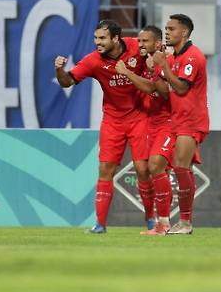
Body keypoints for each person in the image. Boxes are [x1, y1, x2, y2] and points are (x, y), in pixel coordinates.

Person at [54, 20, 151, 234]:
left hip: (140, 117)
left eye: (102, 38)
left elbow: (155, 48)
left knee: (143, 169)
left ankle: (151, 219)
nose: (97, 42)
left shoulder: (136, 46)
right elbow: (67, 82)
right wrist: (60, 70)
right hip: (113, 120)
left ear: (115, 39)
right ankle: (100, 224)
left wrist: (154, 61)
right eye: (96, 38)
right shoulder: (93, 61)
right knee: (105, 169)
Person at [151, 14, 209, 235]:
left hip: (192, 120)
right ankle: (176, 221)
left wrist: (163, 64)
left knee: (181, 167)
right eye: (166, 28)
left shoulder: (193, 57)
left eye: (171, 29)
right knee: (174, 167)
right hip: (177, 119)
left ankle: (185, 222)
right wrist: (159, 69)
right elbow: (166, 90)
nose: (167, 32)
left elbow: (182, 88)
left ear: (184, 32)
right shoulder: (174, 57)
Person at [114, 26, 174, 236]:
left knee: (157, 166)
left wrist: (127, 73)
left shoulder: (165, 60)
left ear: (157, 44)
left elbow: (160, 91)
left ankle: (168, 223)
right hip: (150, 123)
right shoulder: (145, 61)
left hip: (170, 122)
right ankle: (162, 222)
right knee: (153, 171)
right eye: (138, 42)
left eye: (145, 42)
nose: (140, 45)